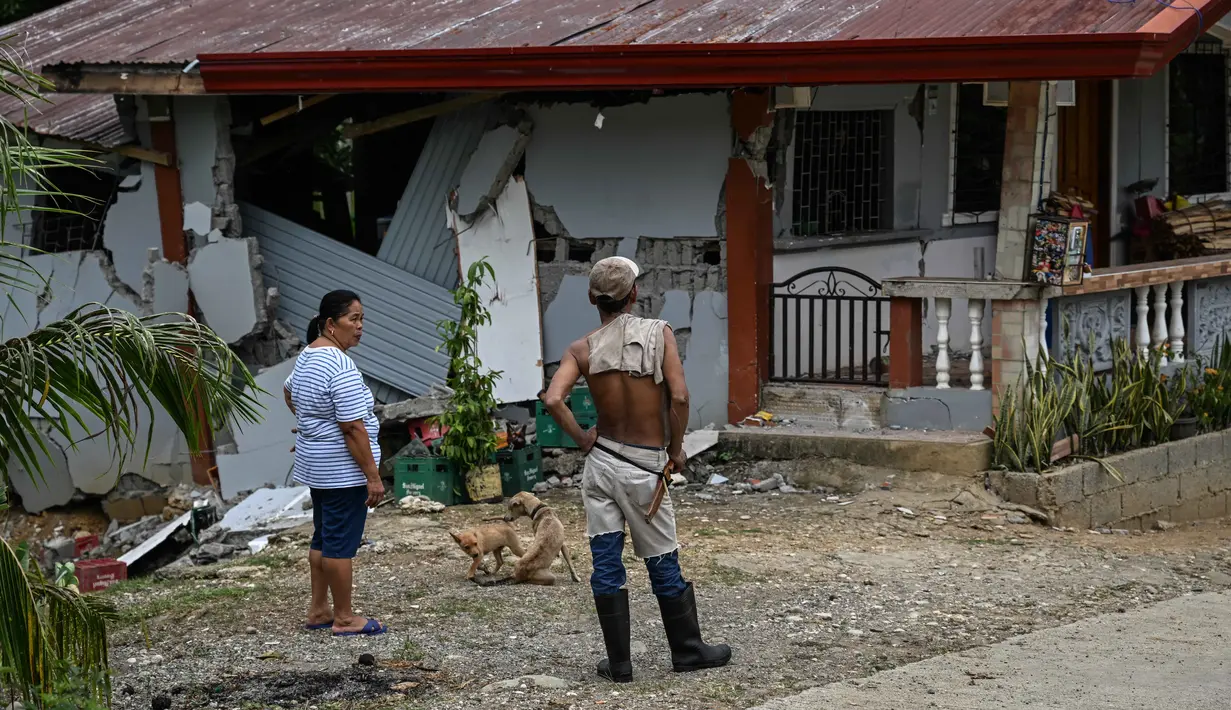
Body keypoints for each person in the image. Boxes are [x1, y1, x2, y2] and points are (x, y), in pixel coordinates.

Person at [541, 256, 732, 683]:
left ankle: (620, 664)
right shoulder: (659, 333)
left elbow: (553, 399)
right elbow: (679, 397)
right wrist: (676, 450)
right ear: (634, 294)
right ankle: (687, 650)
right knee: (661, 556)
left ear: (592, 298)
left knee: (606, 559)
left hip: (602, 462)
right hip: (644, 465)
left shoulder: (581, 348)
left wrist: (583, 439)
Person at [283, 290, 387, 637]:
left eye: (362, 319)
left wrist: (311, 425)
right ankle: (344, 618)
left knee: (324, 538)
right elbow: (353, 428)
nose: (360, 326)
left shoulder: (308, 355)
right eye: (353, 319)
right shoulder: (340, 366)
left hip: (318, 467)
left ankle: (318, 610)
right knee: (340, 545)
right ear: (331, 323)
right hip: (343, 471)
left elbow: (289, 390)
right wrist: (373, 477)